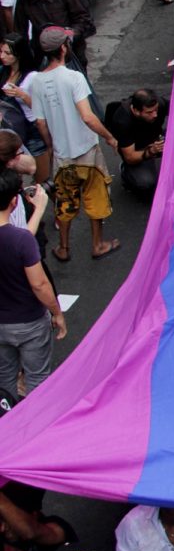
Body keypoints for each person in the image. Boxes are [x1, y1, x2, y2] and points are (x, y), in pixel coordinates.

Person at [28, 26, 120, 262]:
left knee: (65, 202)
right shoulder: (74, 77)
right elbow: (88, 117)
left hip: (62, 155)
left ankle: (64, 248)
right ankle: (97, 244)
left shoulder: (37, 82)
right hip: (87, 150)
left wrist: (51, 146)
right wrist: (109, 137)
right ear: (63, 47)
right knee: (96, 196)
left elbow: (40, 123)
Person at [0, 168, 63, 397]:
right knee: (37, 379)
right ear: (15, 202)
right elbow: (40, 285)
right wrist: (56, 313)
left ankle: (7, 423)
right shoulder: (21, 241)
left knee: (5, 380)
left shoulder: (20, 240)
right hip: (29, 322)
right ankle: (35, 428)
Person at [107, 89, 166, 199]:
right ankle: (126, 173)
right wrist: (150, 151)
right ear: (135, 111)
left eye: (156, 110)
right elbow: (130, 157)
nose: (155, 115)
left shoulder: (159, 104)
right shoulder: (122, 121)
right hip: (137, 149)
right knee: (146, 184)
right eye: (149, 112)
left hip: (156, 138)